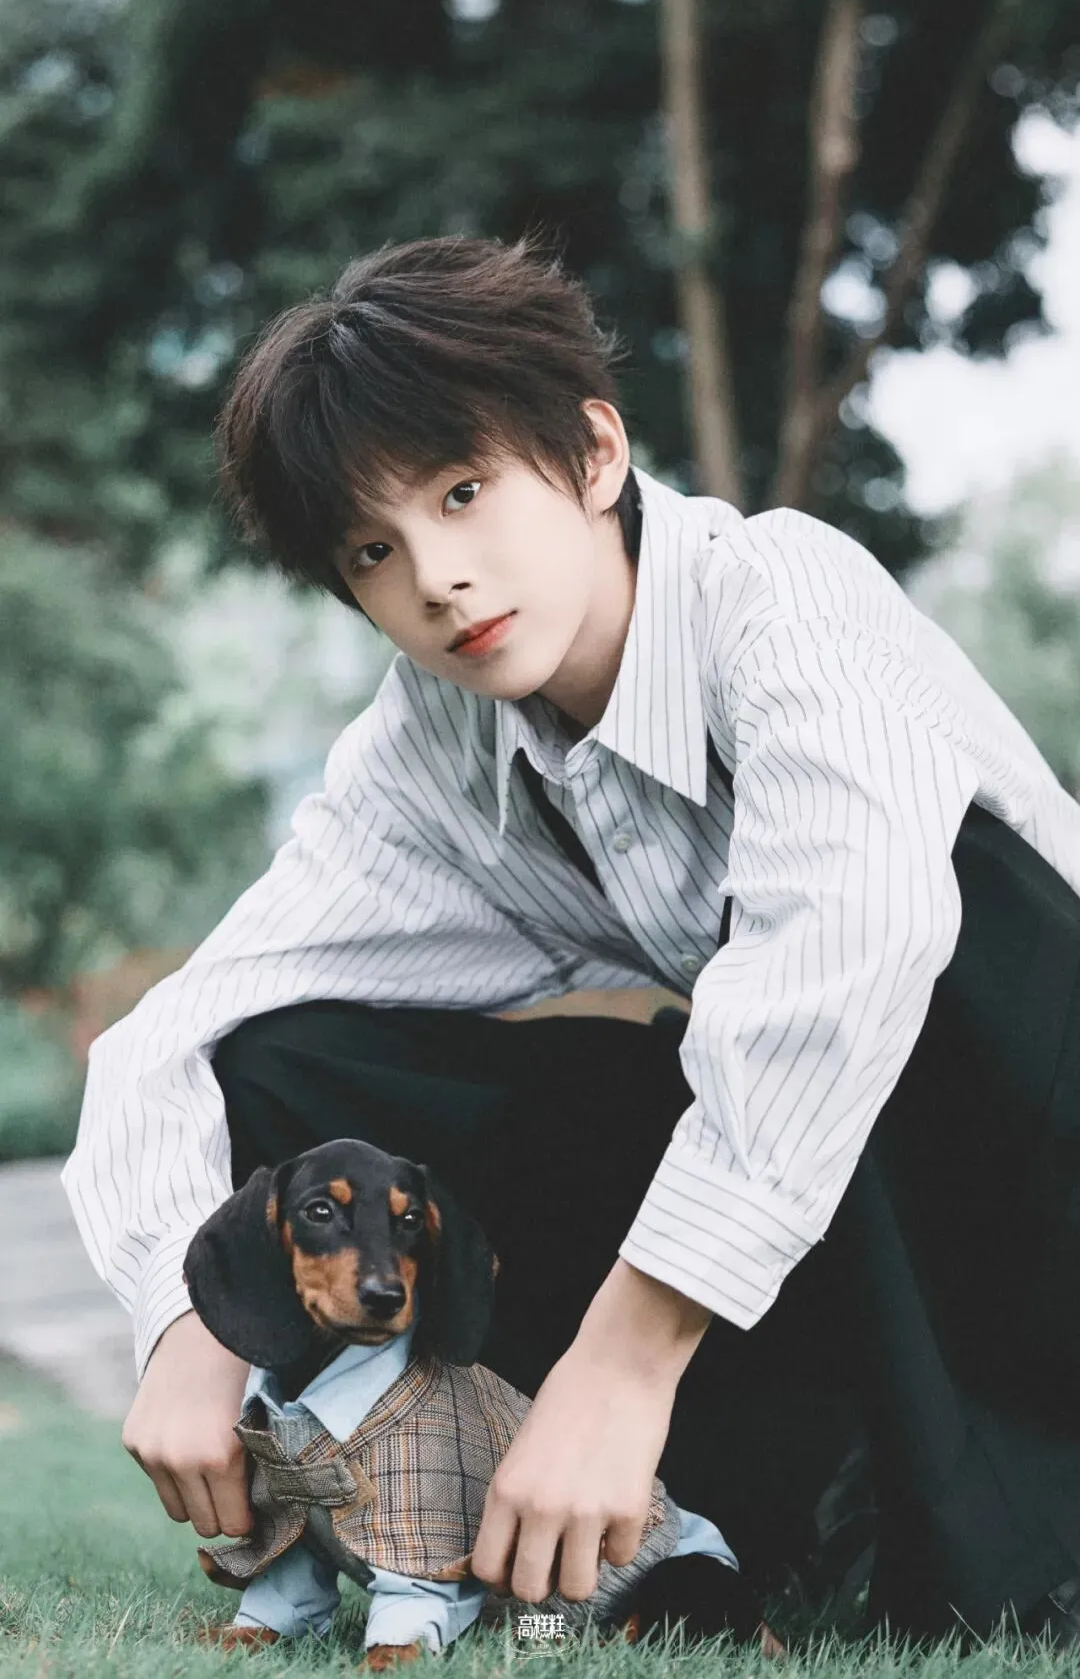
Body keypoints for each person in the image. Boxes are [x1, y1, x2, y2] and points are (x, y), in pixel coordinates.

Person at [63, 233, 1080, 1643]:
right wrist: (191, 1316)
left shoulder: (783, 599)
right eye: (374, 551)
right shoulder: (433, 745)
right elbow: (176, 1035)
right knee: (285, 1061)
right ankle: (667, 1515)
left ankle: (994, 1515)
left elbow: (849, 960)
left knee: (903, 918)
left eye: (464, 492)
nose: (439, 579)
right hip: (837, 1240)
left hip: (1034, 1175)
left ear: (595, 454)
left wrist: (626, 1359)